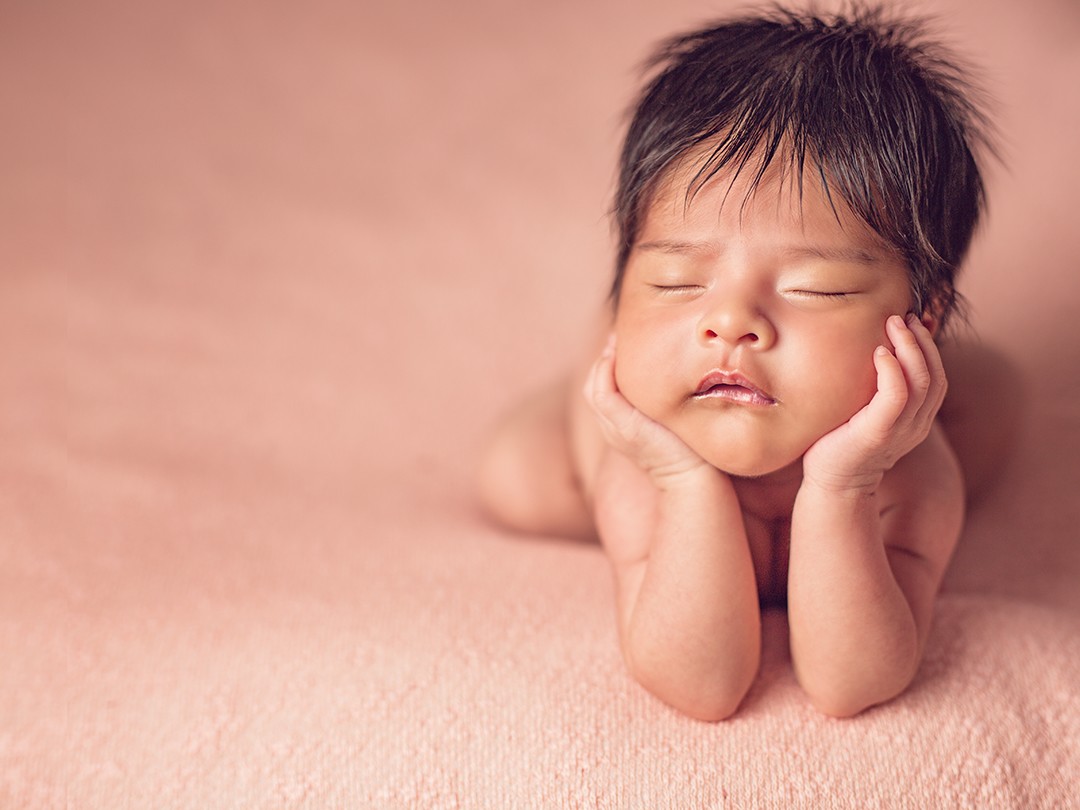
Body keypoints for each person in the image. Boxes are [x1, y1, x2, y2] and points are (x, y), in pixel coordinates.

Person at [476, 5, 1000, 720]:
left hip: (875, 407)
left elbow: (852, 681)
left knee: (998, 412)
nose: (729, 323)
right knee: (518, 481)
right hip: (649, 413)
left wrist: (843, 485)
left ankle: (933, 353)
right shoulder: (638, 469)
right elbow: (702, 683)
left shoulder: (912, 481)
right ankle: (599, 347)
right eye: (677, 281)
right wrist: (684, 480)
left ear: (923, 317)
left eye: (816, 288)